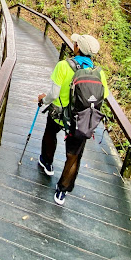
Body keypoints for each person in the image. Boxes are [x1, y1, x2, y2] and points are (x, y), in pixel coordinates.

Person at [37, 33, 109, 206]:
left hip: (59, 113)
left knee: (50, 132)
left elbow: (53, 94)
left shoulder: (63, 66)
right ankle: (62, 190)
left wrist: (42, 100)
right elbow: (102, 96)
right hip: (81, 120)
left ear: (77, 47)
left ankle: (47, 163)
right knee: (73, 156)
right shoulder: (99, 73)